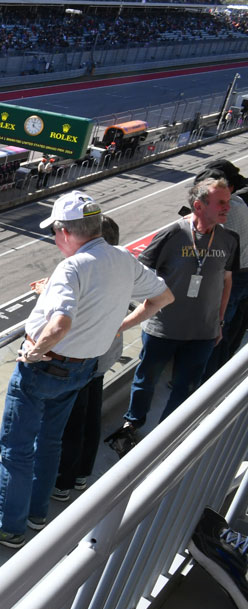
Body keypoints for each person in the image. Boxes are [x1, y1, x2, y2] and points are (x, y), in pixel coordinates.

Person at [0, 192, 172, 548]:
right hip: (82, 369)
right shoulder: (121, 258)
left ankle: (10, 527)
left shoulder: (72, 267)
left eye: (54, 233)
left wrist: (34, 351)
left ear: (65, 231)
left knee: (16, 449)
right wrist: (118, 326)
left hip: (44, 368)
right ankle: (37, 513)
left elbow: (60, 323)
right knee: (49, 441)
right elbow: (163, 297)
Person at [114, 176, 239, 448]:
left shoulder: (230, 239)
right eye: (221, 202)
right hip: (163, 328)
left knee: (186, 386)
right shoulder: (171, 234)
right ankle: (132, 424)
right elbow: (141, 275)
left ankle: (166, 437)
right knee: (146, 379)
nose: (227, 208)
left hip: (203, 332)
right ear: (198, 206)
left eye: (227, 202)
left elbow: (226, 282)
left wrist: (219, 322)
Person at [53, 216, 126, 501]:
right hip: (103, 355)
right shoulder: (119, 266)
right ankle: (82, 473)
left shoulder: (85, 270)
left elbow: (66, 318)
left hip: (82, 358)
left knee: (73, 421)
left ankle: (63, 480)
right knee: (91, 415)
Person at [202, 161, 248, 381]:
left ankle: (207, 377)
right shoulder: (239, 202)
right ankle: (220, 370)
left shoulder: (228, 209)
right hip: (243, 272)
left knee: (218, 328)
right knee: (232, 324)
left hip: (233, 275)